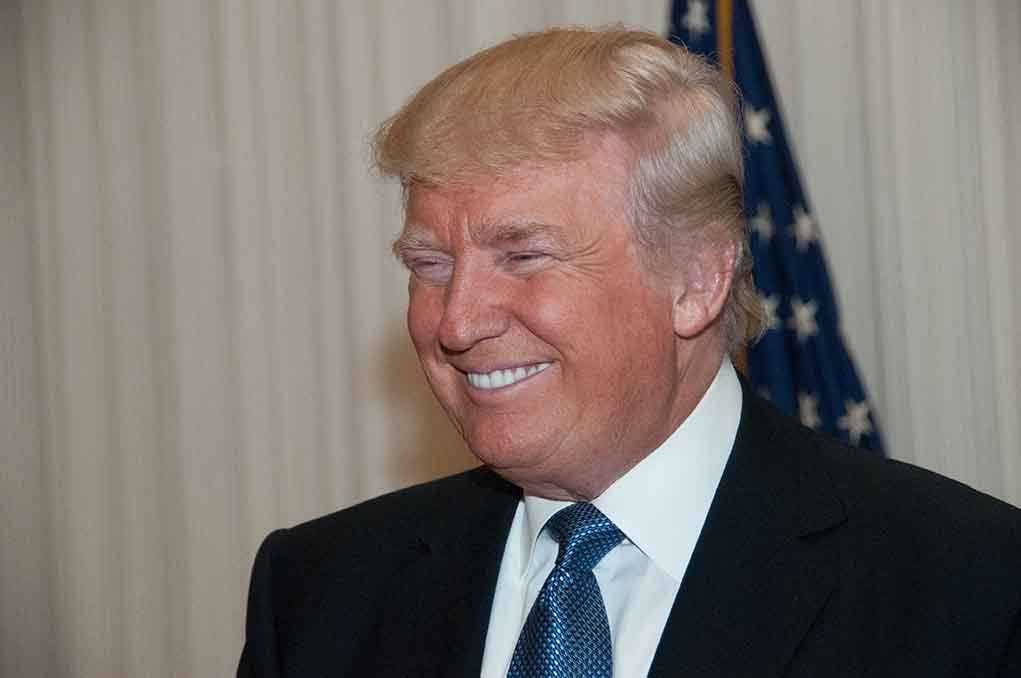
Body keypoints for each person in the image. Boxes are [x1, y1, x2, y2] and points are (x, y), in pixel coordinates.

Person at [237, 27, 1021, 677]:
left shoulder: (967, 588)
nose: (456, 323)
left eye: (523, 255)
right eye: (429, 266)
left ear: (696, 279)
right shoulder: (319, 592)